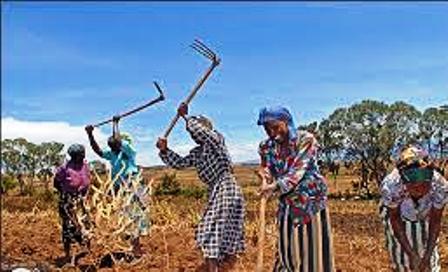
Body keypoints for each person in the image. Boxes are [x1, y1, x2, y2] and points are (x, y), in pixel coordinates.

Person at [156, 103, 245, 272]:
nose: (192, 134)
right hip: (217, 189)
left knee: (212, 227)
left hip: (226, 186)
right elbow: (180, 163)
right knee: (220, 228)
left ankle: (221, 268)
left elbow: (201, 132)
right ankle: (218, 267)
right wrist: (165, 150)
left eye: (193, 131)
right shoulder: (197, 153)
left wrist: (186, 117)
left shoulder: (216, 140)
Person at [257, 106, 335, 272]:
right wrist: (265, 175)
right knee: (287, 252)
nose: (271, 132)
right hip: (286, 204)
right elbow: (267, 168)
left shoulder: (305, 140)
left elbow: (297, 172)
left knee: (312, 253)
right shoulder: (265, 146)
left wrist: (274, 186)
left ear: (286, 122)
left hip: (310, 203)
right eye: (266, 128)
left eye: (275, 126)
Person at [380, 145, 448, 272]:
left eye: (424, 185)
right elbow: (394, 219)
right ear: (404, 182)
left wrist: (427, 256)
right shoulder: (391, 186)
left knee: (428, 258)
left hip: (426, 208)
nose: (420, 190)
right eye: (415, 187)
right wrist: (411, 254)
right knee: (402, 256)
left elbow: (435, 221)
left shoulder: (440, 186)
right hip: (397, 209)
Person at [85, 117, 146, 257]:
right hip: (119, 189)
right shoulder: (112, 154)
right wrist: (90, 134)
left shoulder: (129, 152)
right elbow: (98, 150)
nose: (111, 144)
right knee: (124, 218)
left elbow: (117, 141)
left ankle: (136, 251)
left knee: (133, 217)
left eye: (115, 141)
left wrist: (116, 124)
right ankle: (133, 248)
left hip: (132, 187)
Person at [54, 144, 91, 264]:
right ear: (75, 156)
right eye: (81, 153)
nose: (84, 155)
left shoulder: (85, 165)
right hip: (68, 200)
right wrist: (66, 194)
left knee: (86, 224)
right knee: (68, 227)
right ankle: (67, 255)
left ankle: (87, 251)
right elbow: (56, 183)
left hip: (82, 200)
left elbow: (87, 179)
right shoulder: (64, 168)